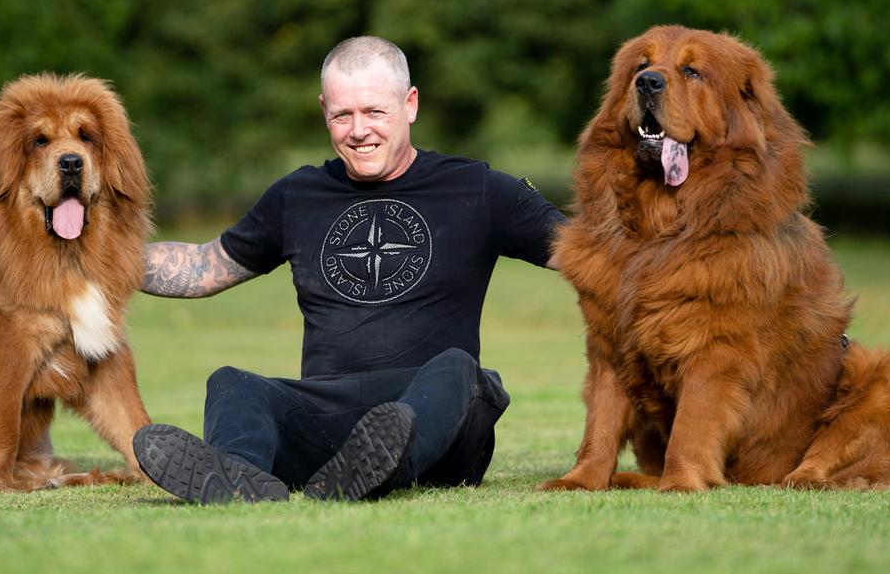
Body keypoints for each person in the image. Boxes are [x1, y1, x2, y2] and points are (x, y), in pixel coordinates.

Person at [132, 36, 565, 503]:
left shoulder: (477, 189)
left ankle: (385, 463)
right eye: (343, 115)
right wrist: (81, 255)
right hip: (325, 415)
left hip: (436, 417)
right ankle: (237, 480)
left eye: (374, 112)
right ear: (324, 111)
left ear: (410, 103)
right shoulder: (296, 195)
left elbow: (590, 253)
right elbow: (203, 266)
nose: (358, 130)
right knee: (232, 384)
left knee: (461, 370)